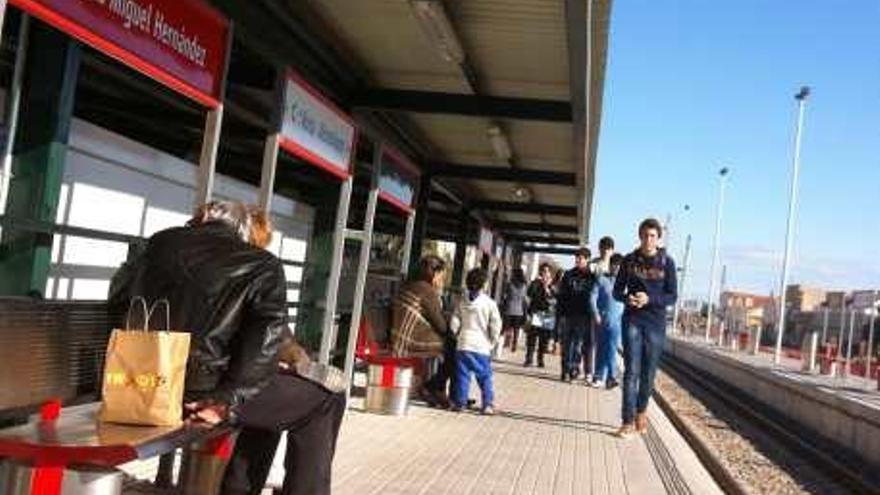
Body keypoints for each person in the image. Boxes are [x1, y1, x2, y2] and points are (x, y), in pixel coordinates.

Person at [111, 201, 345, 494]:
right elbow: (266, 342)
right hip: (201, 396)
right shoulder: (261, 264)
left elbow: (117, 299)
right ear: (243, 230)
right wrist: (224, 400)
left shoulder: (157, 243)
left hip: (135, 384)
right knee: (324, 400)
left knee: (267, 396)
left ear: (203, 218)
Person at [613, 218, 677, 438]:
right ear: (639, 236)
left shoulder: (667, 262)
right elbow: (616, 291)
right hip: (632, 319)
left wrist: (650, 299)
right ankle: (627, 421)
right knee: (631, 372)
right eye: (645, 235)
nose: (649, 239)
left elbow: (672, 296)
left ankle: (641, 411)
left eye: (653, 236)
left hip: (655, 324)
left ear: (658, 238)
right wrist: (627, 298)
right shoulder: (629, 261)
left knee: (648, 374)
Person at [390, 255, 451, 407]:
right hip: (408, 341)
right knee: (454, 348)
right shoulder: (427, 290)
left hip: (399, 336)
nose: (441, 279)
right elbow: (441, 326)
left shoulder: (411, 284)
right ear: (434, 273)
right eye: (441, 275)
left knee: (451, 345)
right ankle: (435, 388)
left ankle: (435, 388)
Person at [450, 268, 502, 415]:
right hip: (481, 346)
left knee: (462, 376)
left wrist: (456, 333)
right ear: (484, 284)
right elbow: (496, 324)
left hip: (463, 343)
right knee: (484, 376)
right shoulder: (489, 303)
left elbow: (454, 320)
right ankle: (487, 404)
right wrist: (492, 341)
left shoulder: (462, 301)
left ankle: (459, 403)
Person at [557, 247, 598, 382]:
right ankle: (565, 370)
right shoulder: (568, 275)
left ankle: (574, 369)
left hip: (583, 316)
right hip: (568, 315)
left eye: (581, 258)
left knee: (578, 345)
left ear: (587, 260)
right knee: (566, 344)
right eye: (577, 258)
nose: (578, 261)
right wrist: (560, 314)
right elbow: (561, 296)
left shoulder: (592, 277)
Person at [590, 253, 625, 389]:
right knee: (601, 348)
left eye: (619, 266)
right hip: (602, 320)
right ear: (610, 266)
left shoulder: (625, 285)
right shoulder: (601, 280)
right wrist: (596, 314)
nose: (616, 268)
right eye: (614, 265)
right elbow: (592, 298)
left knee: (611, 348)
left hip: (617, 323)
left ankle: (610, 376)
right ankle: (598, 376)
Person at [525, 263, 556, 367]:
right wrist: (539, 284)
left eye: (547, 271)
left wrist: (548, 288)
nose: (545, 273)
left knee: (544, 339)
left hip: (548, 315)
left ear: (551, 273)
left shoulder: (553, 286)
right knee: (532, 338)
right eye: (543, 271)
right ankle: (529, 359)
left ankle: (540, 359)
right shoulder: (535, 283)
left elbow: (555, 299)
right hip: (536, 313)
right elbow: (529, 294)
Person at [502, 268, 529, 353]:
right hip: (519, 310)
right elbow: (524, 298)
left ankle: (507, 342)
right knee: (516, 329)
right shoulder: (524, 286)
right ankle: (514, 343)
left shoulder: (510, 284)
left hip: (509, 308)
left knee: (507, 327)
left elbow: (505, 296)